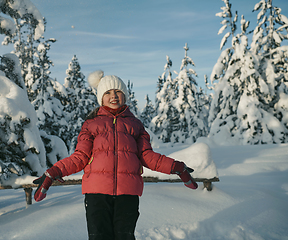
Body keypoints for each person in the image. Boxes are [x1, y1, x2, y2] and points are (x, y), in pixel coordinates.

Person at [33, 70, 198, 240]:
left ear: (125, 96)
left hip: (127, 194)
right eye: (108, 92)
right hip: (97, 194)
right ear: (101, 98)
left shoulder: (135, 125)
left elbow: (147, 156)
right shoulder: (91, 125)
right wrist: (53, 172)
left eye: (118, 91)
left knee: (124, 237)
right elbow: (79, 157)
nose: (114, 96)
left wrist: (176, 167)